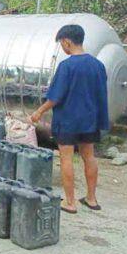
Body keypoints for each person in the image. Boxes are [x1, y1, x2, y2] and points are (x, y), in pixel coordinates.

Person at [31, 24, 109, 214]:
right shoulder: (98, 65)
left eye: (61, 44)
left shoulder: (67, 66)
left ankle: (70, 202)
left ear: (66, 41)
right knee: (88, 157)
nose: (62, 48)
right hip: (90, 120)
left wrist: (38, 112)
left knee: (66, 159)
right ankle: (91, 199)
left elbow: (55, 97)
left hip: (68, 120)